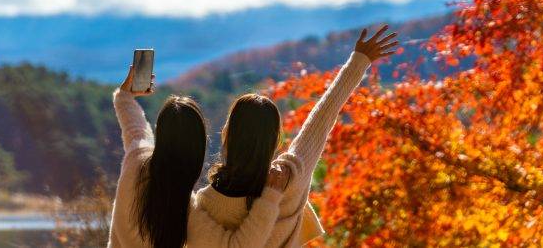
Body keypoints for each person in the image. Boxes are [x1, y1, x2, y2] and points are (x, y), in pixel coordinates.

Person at [188, 25, 398, 247]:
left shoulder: (206, 205)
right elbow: (323, 117)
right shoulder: (290, 177)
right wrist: (359, 60)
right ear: (276, 140)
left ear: (227, 135)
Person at [108, 65, 293, 248]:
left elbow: (134, 127)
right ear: (199, 149)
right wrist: (271, 196)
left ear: (160, 132)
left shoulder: (137, 157)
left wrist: (124, 95)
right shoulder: (187, 210)